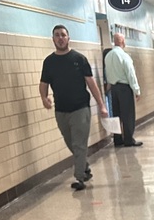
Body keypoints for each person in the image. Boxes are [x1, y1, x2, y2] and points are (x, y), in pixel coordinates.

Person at [39, 25, 108, 191]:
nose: (60, 38)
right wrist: (44, 98)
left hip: (80, 108)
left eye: (63, 35)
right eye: (57, 35)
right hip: (61, 110)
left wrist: (101, 105)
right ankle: (84, 168)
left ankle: (79, 177)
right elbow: (43, 83)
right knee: (71, 142)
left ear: (68, 38)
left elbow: (91, 83)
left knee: (79, 144)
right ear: (53, 39)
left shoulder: (79, 59)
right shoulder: (49, 62)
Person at [103, 33, 142, 147]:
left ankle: (117, 139)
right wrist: (137, 90)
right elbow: (130, 74)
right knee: (128, 114)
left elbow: (108, 73)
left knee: (116, 115)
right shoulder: (124, 56)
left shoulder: (108, 56)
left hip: (113, 89)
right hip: (124, 88)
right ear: (122, 42)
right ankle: (129, 139)